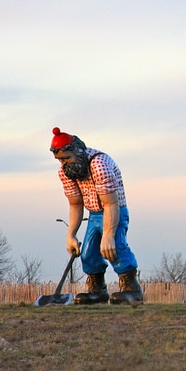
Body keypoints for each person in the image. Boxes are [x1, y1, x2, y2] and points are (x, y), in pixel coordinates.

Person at [50, 127, 143, 305]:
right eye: (59, 160)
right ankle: (97, 290)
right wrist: (71, 234)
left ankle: (132, 289)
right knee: (88, 252)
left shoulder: (99, 164)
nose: (63, 164)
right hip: (94, 213)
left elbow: (110, 204)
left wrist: (108, 235)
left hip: (114, 211)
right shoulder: (66, 172)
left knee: (114, 248)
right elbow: (75, 204)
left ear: (77, 150)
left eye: (66, 158)